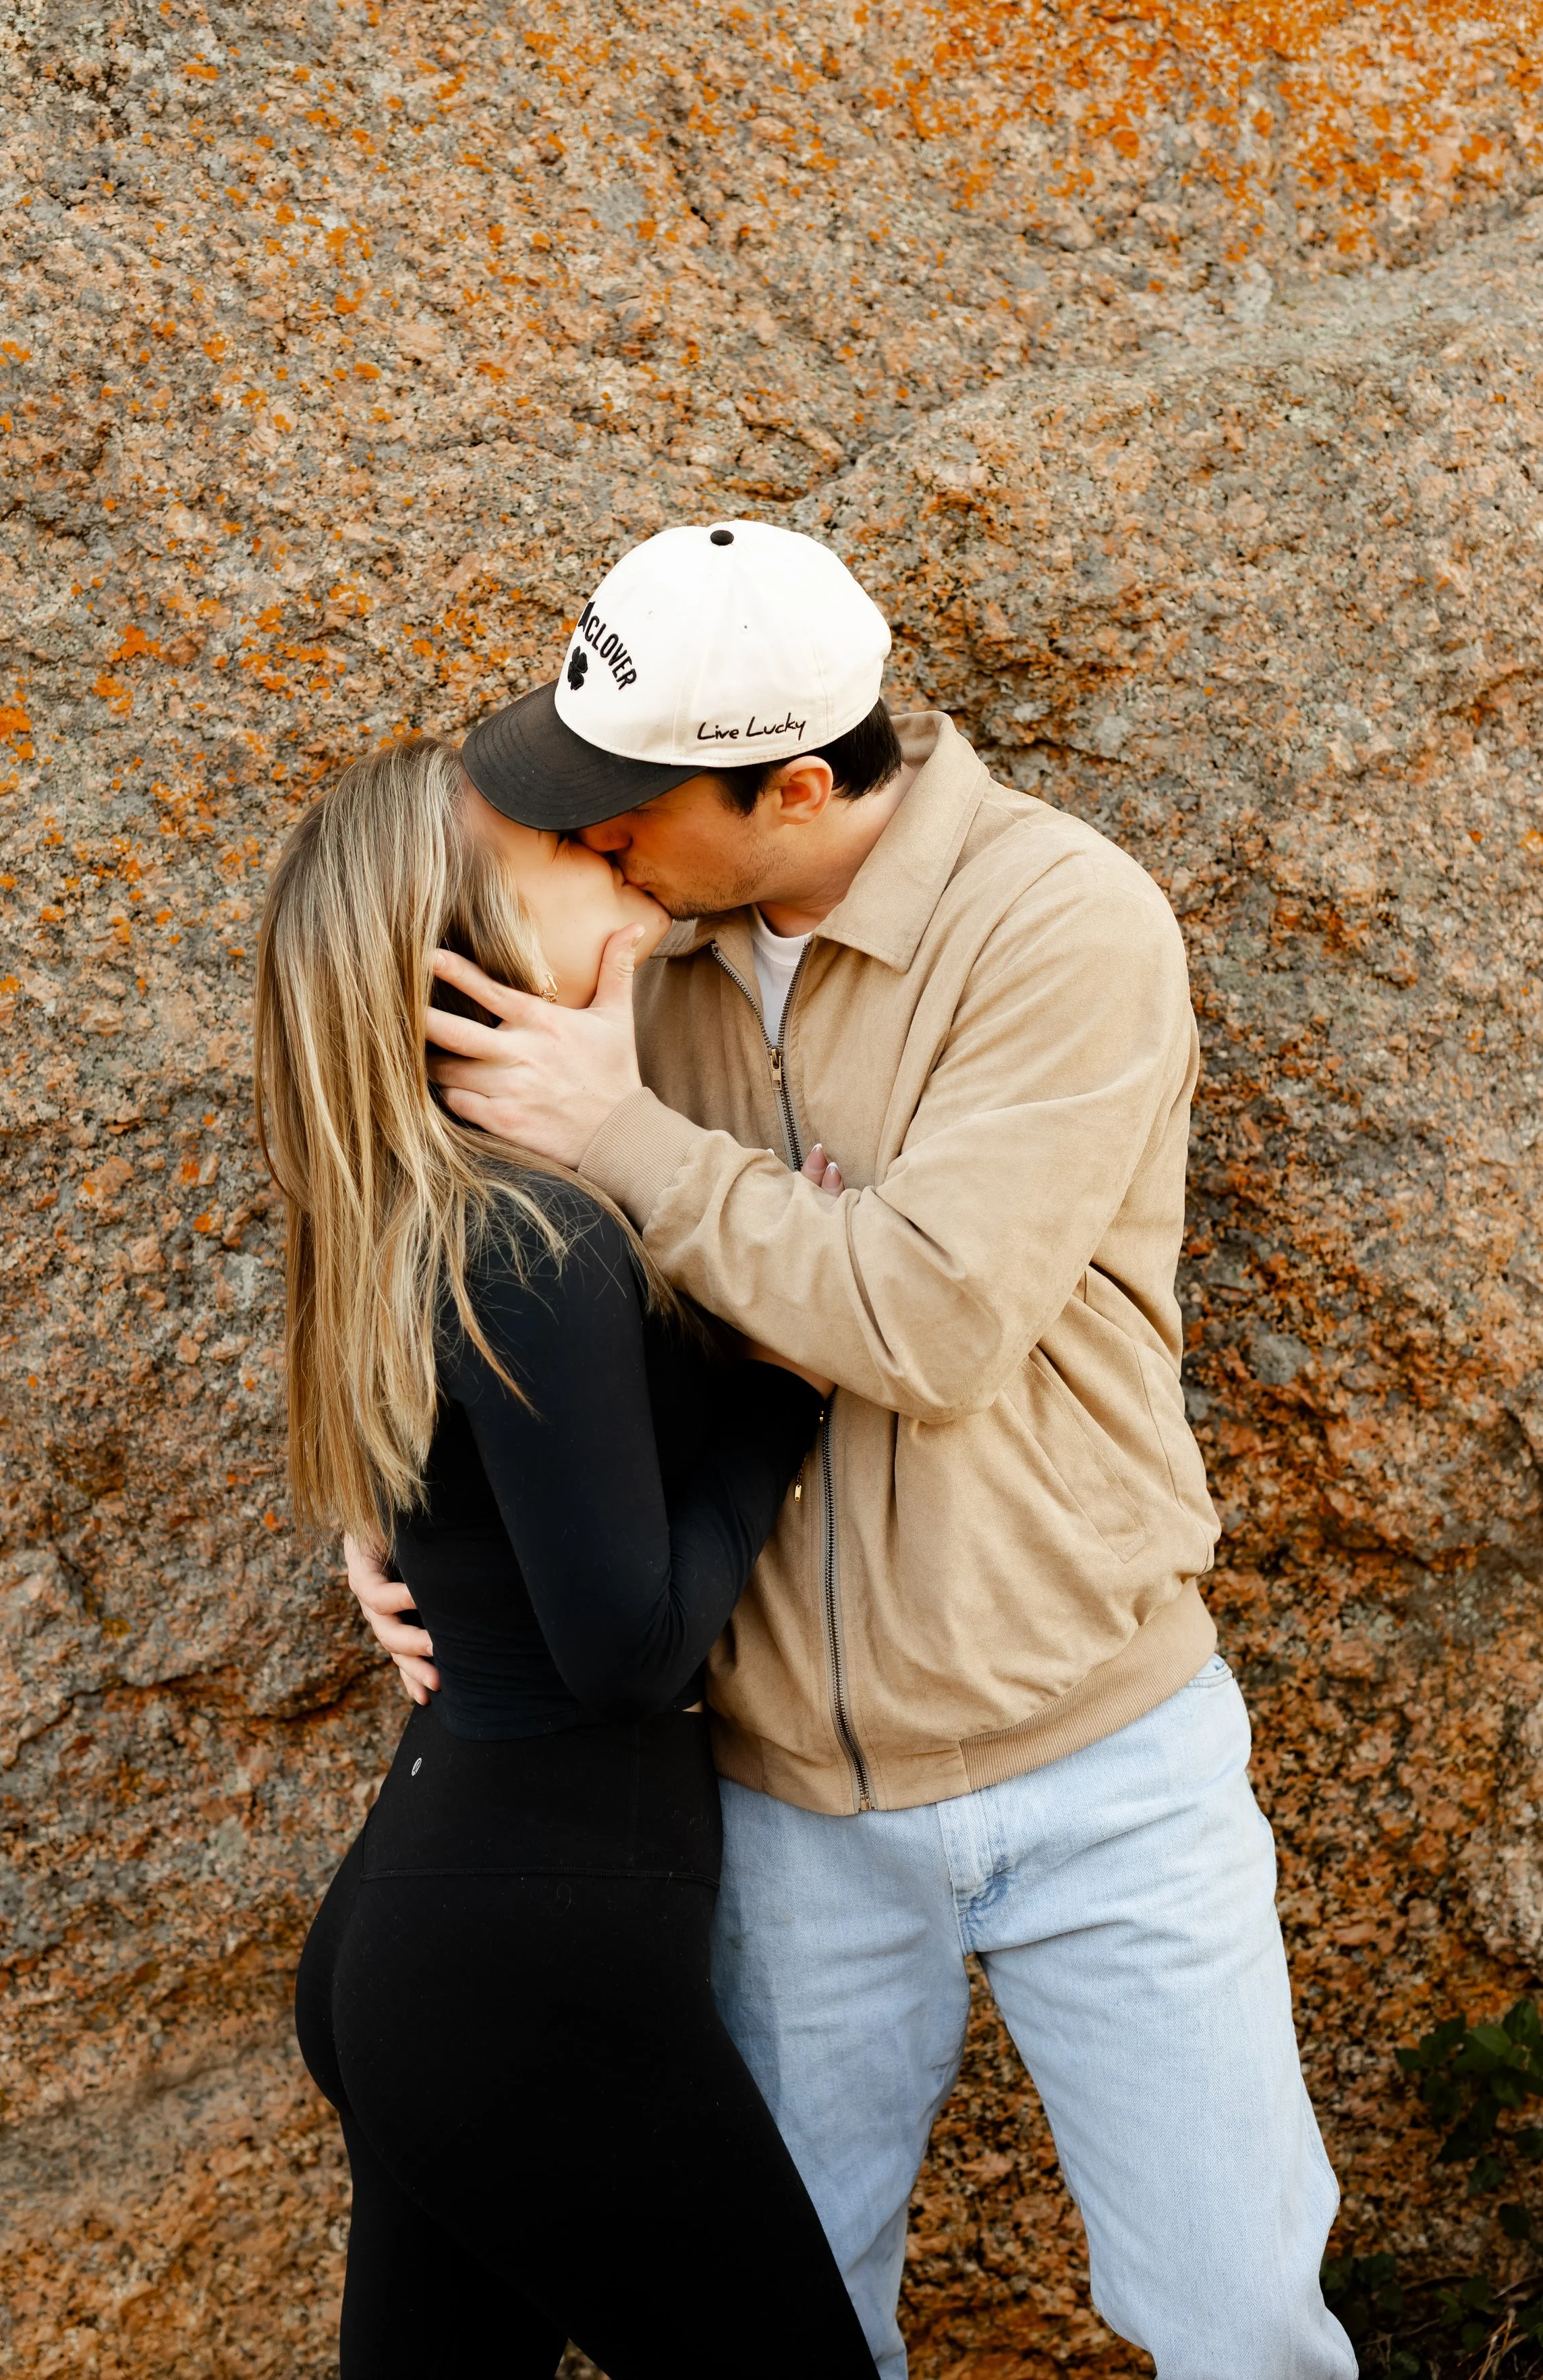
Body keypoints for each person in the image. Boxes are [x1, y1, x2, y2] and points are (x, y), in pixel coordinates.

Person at [353, 519, 1359, 2379]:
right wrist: (399, 1506)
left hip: (1102, 1761)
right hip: (775, 1806)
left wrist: (626, 1134)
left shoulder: (1060, 921)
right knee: (796, 2332)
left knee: (1236, 2322)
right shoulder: (630, 948)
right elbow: (428, 1217)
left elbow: (931, 1321)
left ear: (796, 787)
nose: (589, 833)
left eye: (628, 800)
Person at [254, 734, 877, 2379]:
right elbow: (627, 1651)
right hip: (520, 1971)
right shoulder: (534, 1240)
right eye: (567, 853)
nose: (610, 849)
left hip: (445, 1931)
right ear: (467, 954)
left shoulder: (451, 1211)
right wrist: (786, 1387)